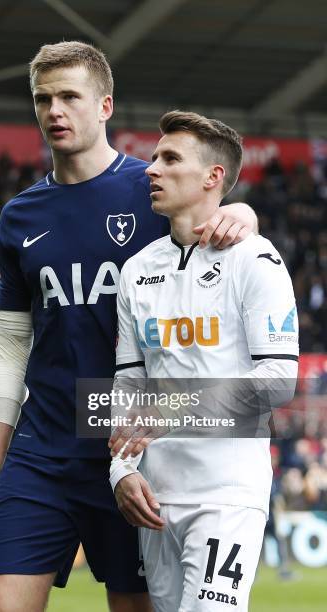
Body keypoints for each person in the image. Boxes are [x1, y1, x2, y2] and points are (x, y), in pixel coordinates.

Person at [0, 41, 258, 612]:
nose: (54, 110)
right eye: (43, 99)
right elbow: (8, 344)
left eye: (69, 97)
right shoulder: (19, 215)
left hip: (133, 449)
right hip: (43, 446)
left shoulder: (151, 188)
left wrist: (244, 213)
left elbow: (223, 222)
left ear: (104, 105)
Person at [108, 111, 299, 611]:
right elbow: (128, 383)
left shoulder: (256, 259)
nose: (152, 169)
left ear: (214, 177)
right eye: (153, 157)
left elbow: (279, 379)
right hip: (155, 496)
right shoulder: (136, 270)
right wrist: (122, 471)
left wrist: (173, 411)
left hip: (227, 492)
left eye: (170, 158)